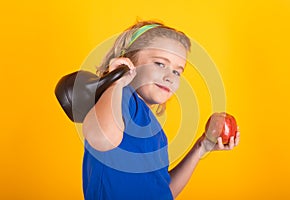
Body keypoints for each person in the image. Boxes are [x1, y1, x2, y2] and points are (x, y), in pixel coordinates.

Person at [81, 20, 240, 200]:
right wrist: (116, 82)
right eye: (160, 64)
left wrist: (201, 147)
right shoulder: (121, 99)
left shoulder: (155, 131)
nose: (170, 77)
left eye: (177, 72)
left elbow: (161, 192)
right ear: (128, 63)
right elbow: (100, 138)